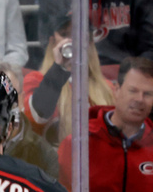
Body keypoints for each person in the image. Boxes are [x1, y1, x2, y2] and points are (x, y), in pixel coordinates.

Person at [58, 56, 153, 192]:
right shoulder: (80, 143)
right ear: (116, 90)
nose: (139, 100)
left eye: (148, 94)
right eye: (133, 91)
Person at [22, 13, 115, 146]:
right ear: (52, 41)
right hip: (53, 161)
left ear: (89, 42)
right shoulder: (36, 80)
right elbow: (38, 116)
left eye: (78, 34)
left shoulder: (106, 87)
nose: (72, 41)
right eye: (64, 34)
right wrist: (59, 68)